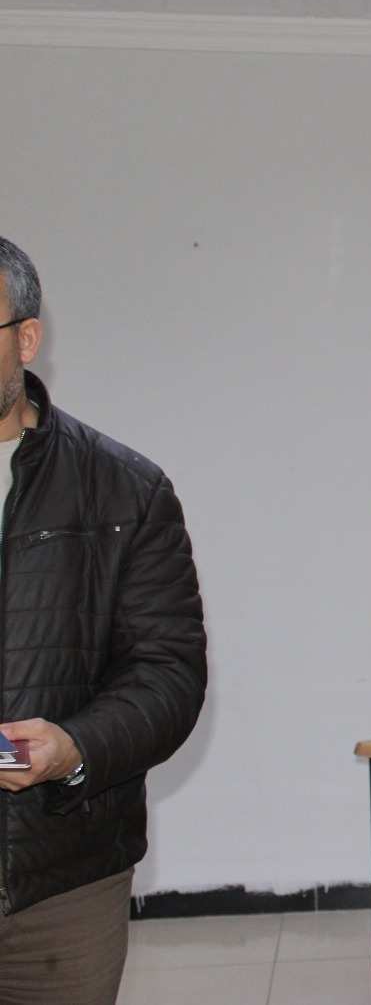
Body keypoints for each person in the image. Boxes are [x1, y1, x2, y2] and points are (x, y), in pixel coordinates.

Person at [0, 235, 207, 1003]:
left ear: (27, 338)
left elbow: (168, 673)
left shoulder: (124, 490)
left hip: (61, 880)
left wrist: (73, 747)